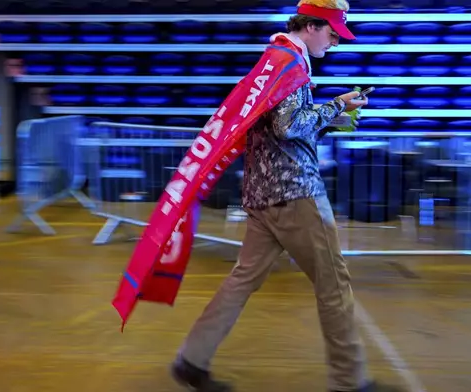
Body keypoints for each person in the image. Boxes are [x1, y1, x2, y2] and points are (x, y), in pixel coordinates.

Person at [170, 1, 403, 391]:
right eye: (332, 33)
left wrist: (329, 121)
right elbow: (288, 127)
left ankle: (191, 360)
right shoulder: (292, 63)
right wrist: (337, 105)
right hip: (296, 192)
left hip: (261, 194)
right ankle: (350, 383)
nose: (335, 42)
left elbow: (277, 128)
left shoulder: (274, 59)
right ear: (311, 26)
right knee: (334, 285)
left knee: (241, 281)